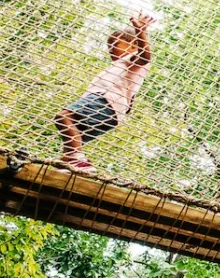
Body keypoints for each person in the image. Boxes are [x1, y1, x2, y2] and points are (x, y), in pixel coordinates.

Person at [55, 14, 154, 175]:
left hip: (106, 101)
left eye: (115, 44)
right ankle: (71, 161)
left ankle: (77, 161)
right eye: (109, 45)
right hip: (112, 112)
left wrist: (140, 31)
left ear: (133, 46)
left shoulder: (132, 59)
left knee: (64, 117)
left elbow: (145, 56)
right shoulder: (122, 67)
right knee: (74, 134)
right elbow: (130, 97)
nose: (110, 48)